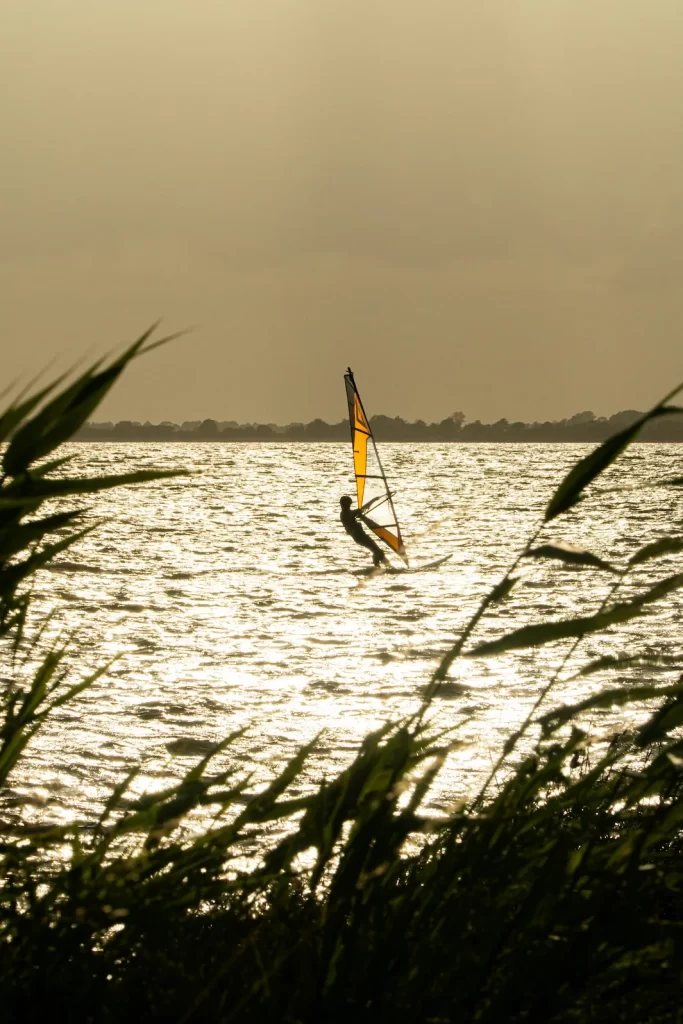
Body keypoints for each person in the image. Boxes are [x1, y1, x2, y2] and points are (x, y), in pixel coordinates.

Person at [339, 495, 388, 567]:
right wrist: (373, 500)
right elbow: (360, 510)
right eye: (346, 504)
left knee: (376, 550)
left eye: (348, 504)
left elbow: (359, 510)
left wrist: (373, 501)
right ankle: (379, 566)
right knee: (377, 551)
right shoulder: (344, 514)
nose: (347, 506)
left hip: (360, 536)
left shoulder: (347, 512)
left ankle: (381, 565)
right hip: (359, 537)